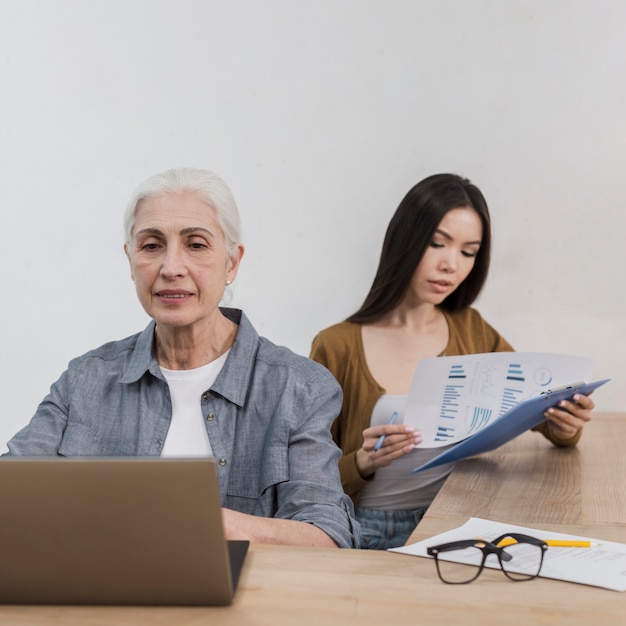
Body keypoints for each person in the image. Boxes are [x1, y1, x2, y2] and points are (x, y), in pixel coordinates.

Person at [5, 167, 359, 549]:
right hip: (101, 600)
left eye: (196, 244)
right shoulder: (85, 379)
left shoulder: (299, 386)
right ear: (130, 260)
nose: (171, 268)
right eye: (152, 245)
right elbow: (11, 488)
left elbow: (328, 535)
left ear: (232, 262)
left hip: (248, 604)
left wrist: (215, 526)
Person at [310, 173, 594, 550]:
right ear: (404, 241)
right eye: (437, 244)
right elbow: (307, 477)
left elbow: (541, 414)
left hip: (462, 524)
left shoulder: (474, 331)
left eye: (468, 252)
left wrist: (565, 425)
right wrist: (362, 462)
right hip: (368, 531)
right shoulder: (336, 346)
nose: (451, 265)